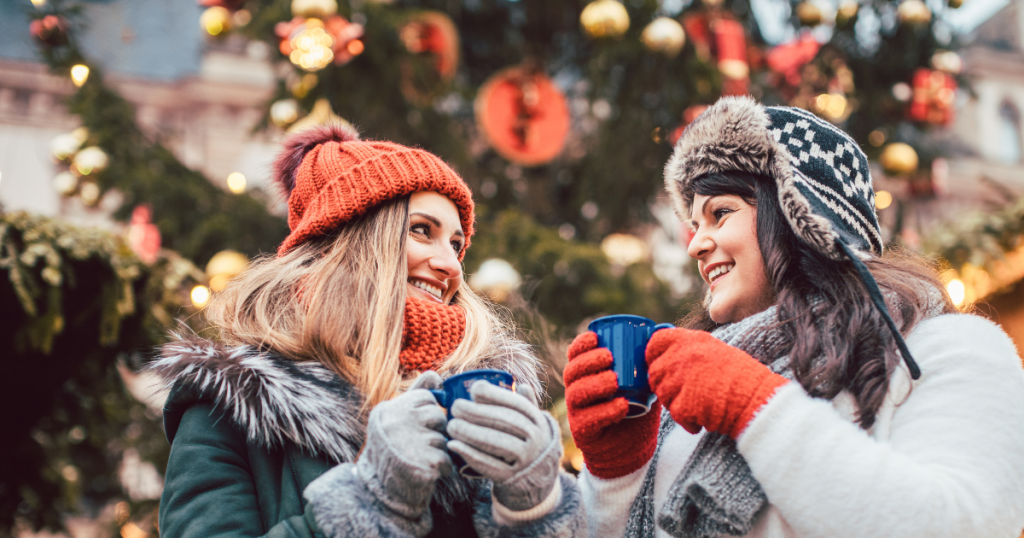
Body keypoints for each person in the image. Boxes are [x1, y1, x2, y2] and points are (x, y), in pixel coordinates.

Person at [564, 96, 1024, 538]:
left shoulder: (948, 348)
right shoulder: (689, 398)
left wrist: (758, 408)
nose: (695, 245)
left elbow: (964, 525)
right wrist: (616, 477)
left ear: (800, 215)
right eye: (694, 224)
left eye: (720, 213)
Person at [152, 124, 585, 537]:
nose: (452, 265)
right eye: (421, 230)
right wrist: (369, 503)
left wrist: (536, 508)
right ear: (351, 242)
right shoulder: (232, 406)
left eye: (456, 244)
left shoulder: (486, 394)